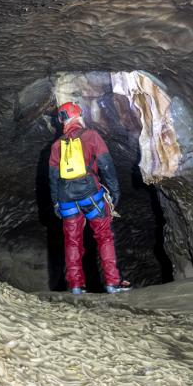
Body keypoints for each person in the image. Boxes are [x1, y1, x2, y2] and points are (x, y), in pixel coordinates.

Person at [48, 101, 131, 295]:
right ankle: (112, 282)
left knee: (72, 241)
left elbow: (53, 178)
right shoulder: (91, 136)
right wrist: (115, 190)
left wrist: (55, 202)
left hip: (67, 200)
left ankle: (76, 285)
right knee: (104, 236)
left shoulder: (56, 146)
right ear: (78, 116)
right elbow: (106, 165)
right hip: (90, 195)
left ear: (62, 121)